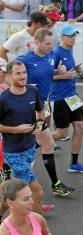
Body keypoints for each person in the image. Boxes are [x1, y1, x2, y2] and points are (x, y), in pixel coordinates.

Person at [17, 29, 75, 198]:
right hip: (28, 109)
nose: (51, 46)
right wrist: (22, 93)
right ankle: (18, 182)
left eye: (52, 43)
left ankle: (53, 184)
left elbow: (47, 74)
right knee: (31, 145)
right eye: (48, 43)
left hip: (41, 106)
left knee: (47, 144)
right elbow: (9, 75)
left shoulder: (50, 57)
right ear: (37, 42)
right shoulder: (25, 60)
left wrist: (58, 72)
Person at [0, 61, 45, 215]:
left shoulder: (33, 91)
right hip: (13, 152)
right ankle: (40, 231)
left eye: (24, 72)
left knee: (15, 190)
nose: (23, 76)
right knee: (37, 191)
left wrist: (39, 124)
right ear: (9, 76)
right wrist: (15, 130)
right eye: (18, 73)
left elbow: (40, 111)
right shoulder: (3, 99)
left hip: (30, 148)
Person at [50, 24, 83, 174]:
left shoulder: (70, 49)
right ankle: (33, 143)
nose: (73, 38)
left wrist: (76, 70)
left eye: (75, 35)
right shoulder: (55, 53)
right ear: (62, 37)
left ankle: (73, 163)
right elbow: (47, 76)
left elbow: (68, 71)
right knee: (61, 134)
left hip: (73, 96)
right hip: (59, 97)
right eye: (70, 36)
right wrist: (64, 76)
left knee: (80, 127)